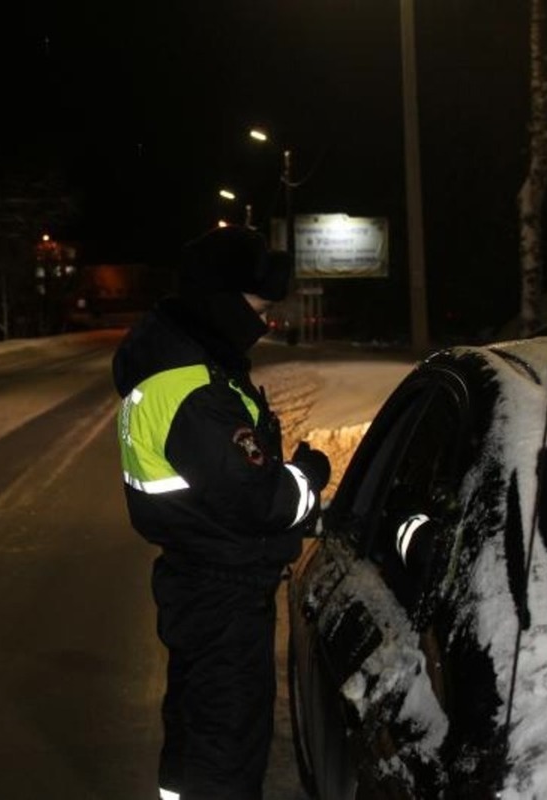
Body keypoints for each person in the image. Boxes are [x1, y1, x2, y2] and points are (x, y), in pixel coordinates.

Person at [112, 225, 332, 800]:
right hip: (223, 593)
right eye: (257, 307)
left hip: (198, 579)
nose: (262, 320)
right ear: (224, 302)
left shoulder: (182, 362)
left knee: (196, 734)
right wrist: (310, 477)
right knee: (224, 746)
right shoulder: (194, 389)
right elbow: (261, 499)